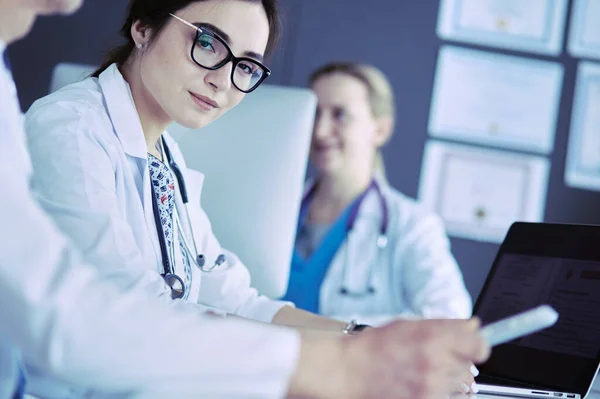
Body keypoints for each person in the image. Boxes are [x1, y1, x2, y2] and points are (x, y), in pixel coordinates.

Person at [1, 0, 489, 398]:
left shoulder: (166, 160)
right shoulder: (71, 127)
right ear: (144, 28)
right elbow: (122, 313)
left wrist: (362, 339)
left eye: (246, 66)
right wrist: (338, 365)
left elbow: (235, 299)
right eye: (208, 42)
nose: (223, 78)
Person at [282, 62, 472, 326]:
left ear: (380, 129)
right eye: (314, 113)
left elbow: (449, 316)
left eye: (340, 115)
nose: (320, 131)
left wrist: (344, 332)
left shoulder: (411, 225)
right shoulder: (275, 207)